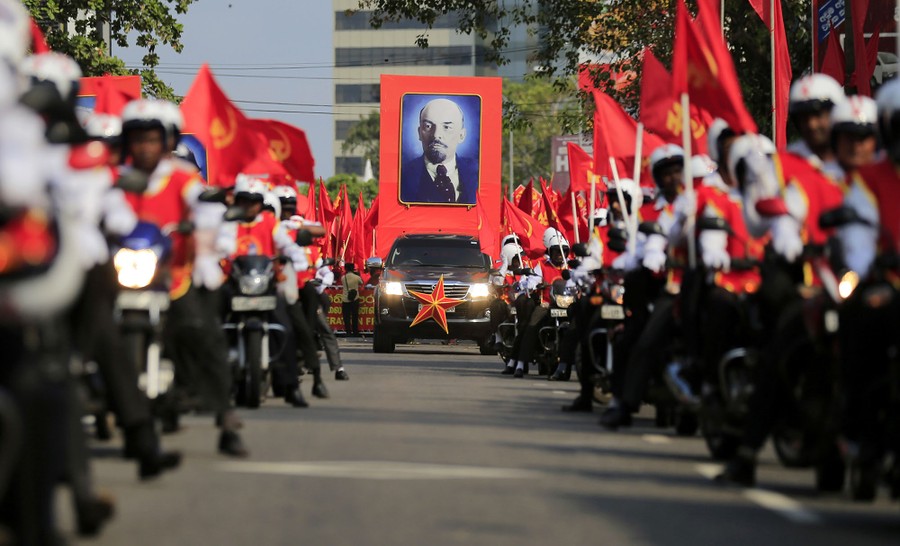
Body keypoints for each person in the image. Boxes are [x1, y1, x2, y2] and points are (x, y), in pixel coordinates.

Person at [119, 98, 248, 457]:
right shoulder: (118, 179)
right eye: (138, 139)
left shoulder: (183, 179)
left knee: (203, 334)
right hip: (124, 274)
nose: (145, 147)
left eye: (152, 138)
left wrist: (206, 251)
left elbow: (207, 209)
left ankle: (225, 418)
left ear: (168, 140)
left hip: (175, 276)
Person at [400, 98, 479, 205]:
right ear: (419, 133)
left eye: (447, 127)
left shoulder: (478, 174)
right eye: (428, 126)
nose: (436, 135)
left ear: (461, 135)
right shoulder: (402, 176)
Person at [341, 262, 364, 336]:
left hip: (345, 299)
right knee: (355, 316)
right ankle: (355, 332)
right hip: (355, 298)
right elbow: (361, 282)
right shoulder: (356, 277)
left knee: (346, 316)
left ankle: (348, 332)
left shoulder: (343, 278)